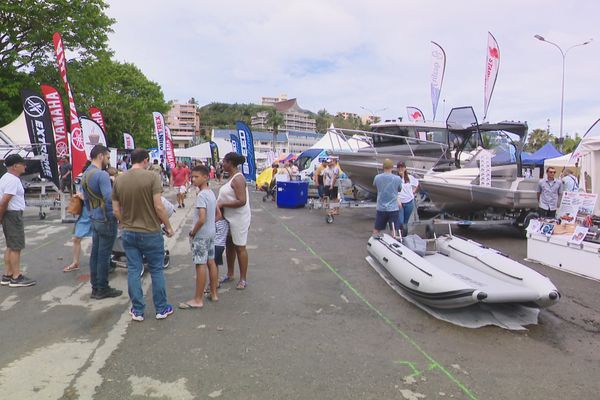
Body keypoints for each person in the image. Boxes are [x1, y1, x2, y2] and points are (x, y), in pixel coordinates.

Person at [112, 148, 175, 321]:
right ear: (146, 160)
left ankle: (138, 310)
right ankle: (161, 309)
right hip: (151, 232)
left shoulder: (119, 179)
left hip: (129, 232)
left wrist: (125, 222)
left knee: (134, 270)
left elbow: (116, 209)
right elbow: (159, 206)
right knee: (156, 270)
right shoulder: (152, 177)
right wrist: (168, 226)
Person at [82, 145, 122, 299]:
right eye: (107, 157)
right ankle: (103, 288)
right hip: (106, 219)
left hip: (95, 218)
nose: (108, 160)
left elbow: (85, 199)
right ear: (100, 156)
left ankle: (95, 287)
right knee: (104, 256)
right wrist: (116, 216)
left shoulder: (86, 174)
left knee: (95, 254)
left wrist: (91, 214)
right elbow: (109, 198)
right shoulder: (102, 175)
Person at [179, 165, 218, 309]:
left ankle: (198, 299)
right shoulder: (211, 193)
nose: (193, 179)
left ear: (205, 177)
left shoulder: (202, 195)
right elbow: (217, 214)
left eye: (196, 177)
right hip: (211, 232)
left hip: (201, 235)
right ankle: (213, 293)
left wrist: (193, 232)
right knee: (211, 262)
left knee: (200, 264)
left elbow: (201, 218)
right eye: (192, 177)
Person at [217, 152, 251, 290]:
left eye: (224, 162)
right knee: (229, 246)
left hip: (239, 219)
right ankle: (230, 273)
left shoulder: (238, 179)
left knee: (240, 247)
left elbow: (242, 201)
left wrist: (222, 203)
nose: (222, 164)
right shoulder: (231, 177)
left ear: (230, 163)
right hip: (229, 218)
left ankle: (243, 279)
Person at [0, 154, 36, 287]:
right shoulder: (13, 180)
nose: (25, 166)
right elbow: (4, 201)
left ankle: (8, 274)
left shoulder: (5, 177)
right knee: (16, 247)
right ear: (15, 166)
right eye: (23, 164)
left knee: (10, 245)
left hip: (9, 214)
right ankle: (16, 276)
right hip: (13, 215)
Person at [63, 161, 93, 273]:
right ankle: (75, 262)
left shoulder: (99, 176)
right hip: (85, 213)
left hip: (95, 213)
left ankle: (101, 261)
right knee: (76, 237)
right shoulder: (82, 178)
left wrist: (82, 196)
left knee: (98, 239)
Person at [373, 159, 403, 237]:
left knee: (377, 228)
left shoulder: (377, 177)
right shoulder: (397, 178)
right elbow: (399, 189)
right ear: (392, 167)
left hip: (381, 207)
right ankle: (394, 243)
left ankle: (373, 242)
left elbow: (375, 186)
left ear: (383, 167)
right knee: (394, 229)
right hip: (393, 208)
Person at [396, 161, 419, 237]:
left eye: (402, 167)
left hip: (409, 202)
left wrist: (413, 191)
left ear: (405, 168)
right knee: (401, 221)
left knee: (405, 222)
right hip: (400, 202)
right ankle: (398, 234)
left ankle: (403, 236)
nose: (400, 169)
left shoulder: (410, 178)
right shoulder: (395, 179)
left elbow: (417, 184)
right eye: (399, 167)